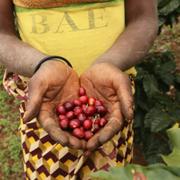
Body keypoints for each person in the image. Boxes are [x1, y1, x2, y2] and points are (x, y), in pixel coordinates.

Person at [0, 0, 158, 179]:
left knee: (113, 173)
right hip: (44, 99)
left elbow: (143, 18)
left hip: (111, 96)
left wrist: (111, 62)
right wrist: (41, 64)